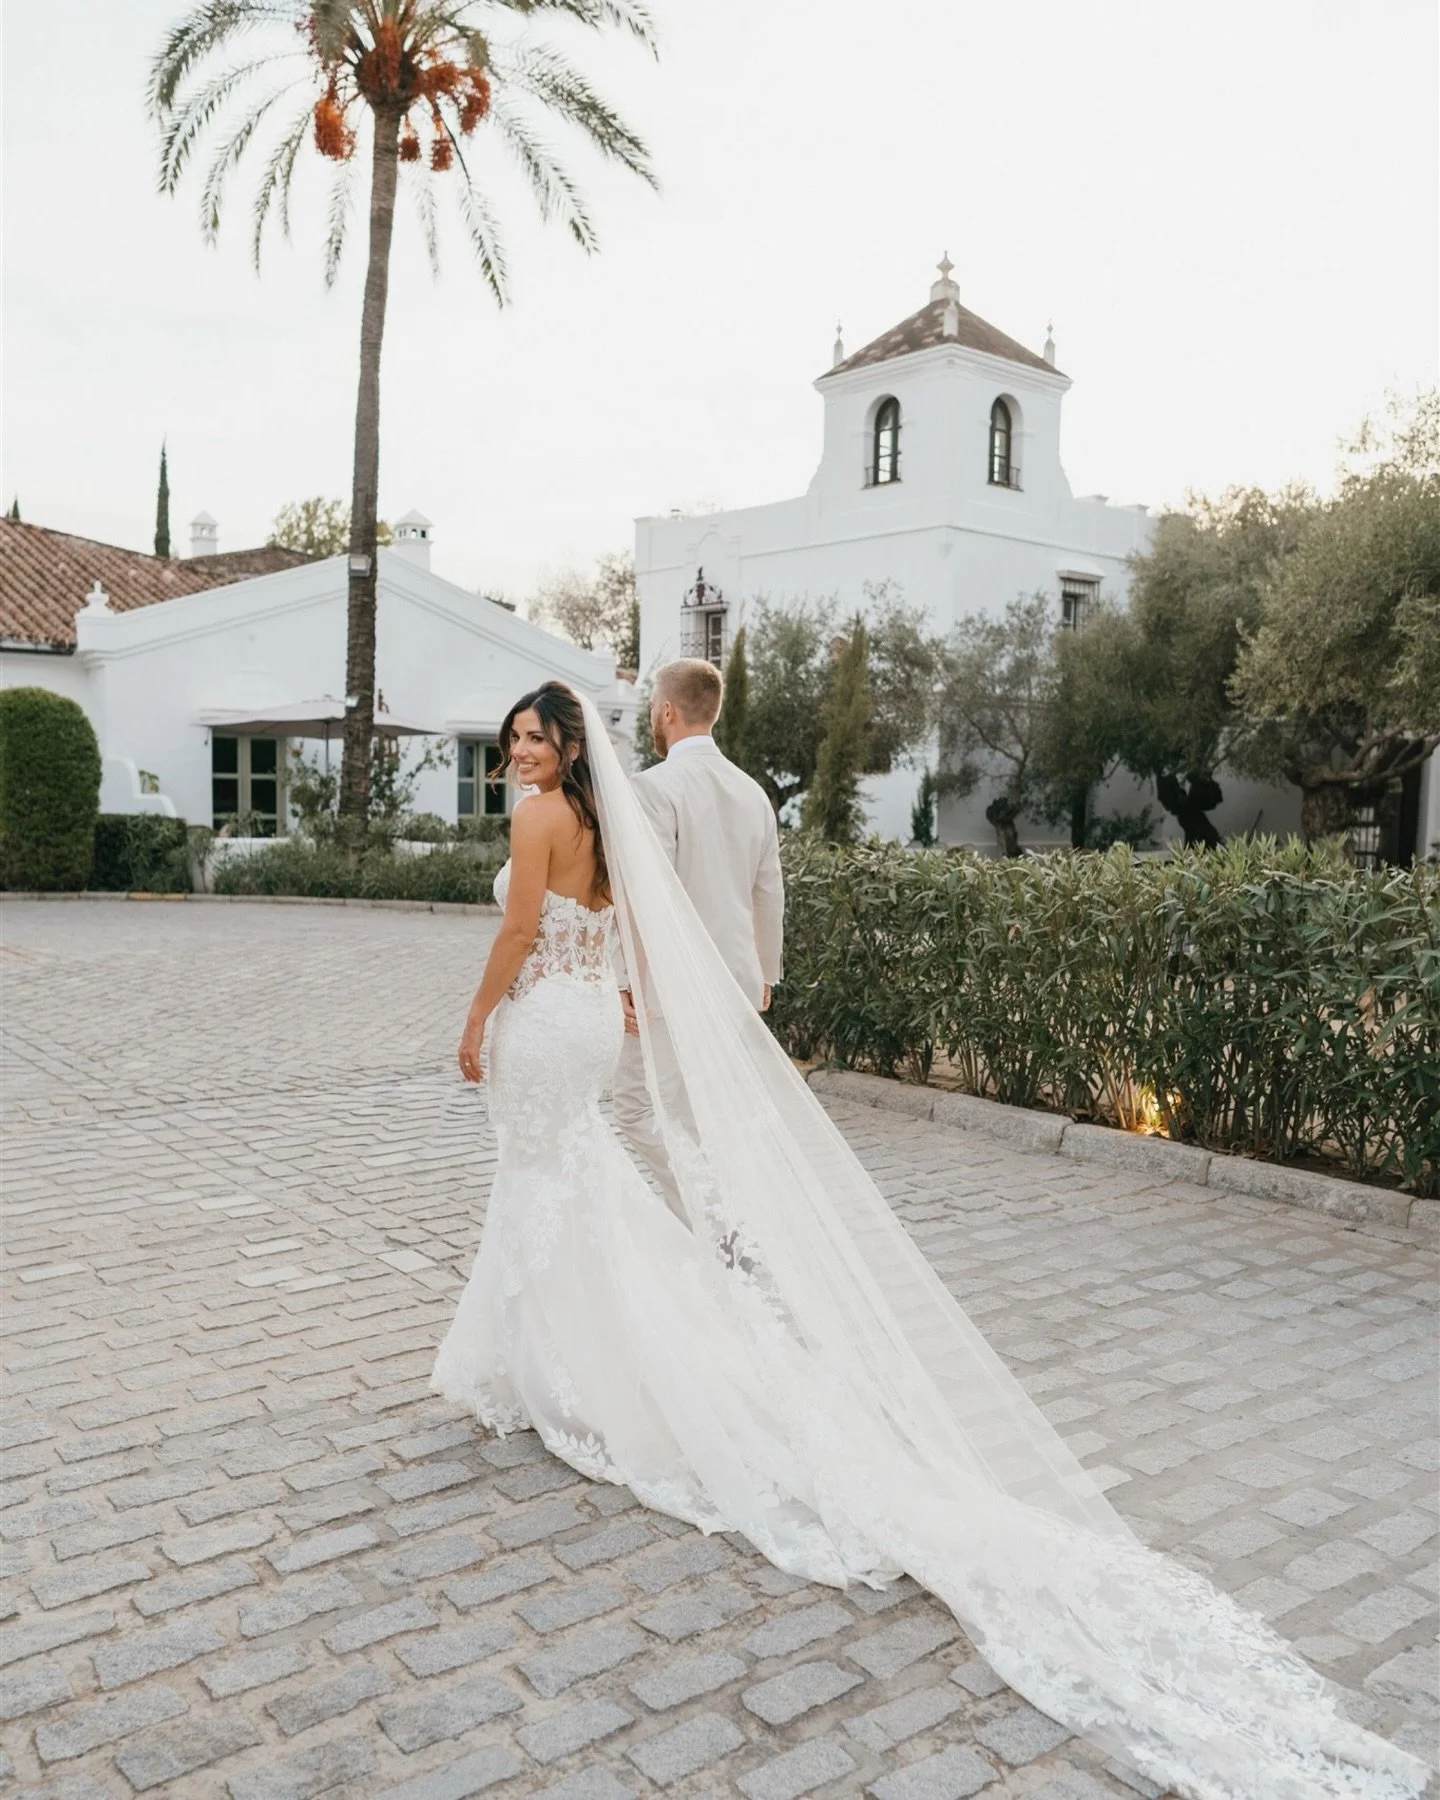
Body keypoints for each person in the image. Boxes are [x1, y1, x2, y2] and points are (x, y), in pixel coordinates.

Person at [433, 680, 1425, 1800]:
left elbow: (522, 926)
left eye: (533, 736)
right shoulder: (620, 817)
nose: (520, 752)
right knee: (580, 1187)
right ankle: (555, 1351)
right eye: (511, 736)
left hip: (546, 1024)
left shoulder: (540, 815)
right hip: (595, 1025)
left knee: (552, 1184)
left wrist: (476, 1019)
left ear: (573, 744)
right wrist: (676, 990)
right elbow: (666, 915)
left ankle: (563, 1365)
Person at [611, 658, 782, 1220]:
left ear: (666, 710)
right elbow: (768, 891)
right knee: (708, 1106)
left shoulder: (653, 787)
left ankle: (710, 1216)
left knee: (639, 1107)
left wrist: (625, 979)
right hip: (736, 979)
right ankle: (724, 1211)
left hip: (668, 980)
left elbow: (645, 892)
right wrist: (766, 973)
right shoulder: (753, 792)